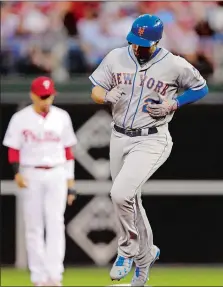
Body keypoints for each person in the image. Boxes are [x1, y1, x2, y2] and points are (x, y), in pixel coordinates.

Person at [89, 14, 208, 286]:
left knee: (120, 193)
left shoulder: (174, 64)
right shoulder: (117, 56)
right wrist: (104, 96)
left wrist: (174, 104)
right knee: (130, 200)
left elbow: (201, 88)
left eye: (143, 42)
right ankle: (145, 259)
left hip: (152, 138)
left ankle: (126, 251)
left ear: (156, 41)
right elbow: (96, 87)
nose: (137, 46)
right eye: (134, 40)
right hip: (119, 135)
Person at [3, 76, 78, 286]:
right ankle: (38, 277)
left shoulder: (62, 117)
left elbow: (68, 152)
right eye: (42, 96)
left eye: (49, 96)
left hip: (57, 172)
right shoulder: (20, 118)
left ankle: (55, 276)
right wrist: (17, 172)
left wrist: (70, 185)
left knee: (56, 223)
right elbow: (13, 149)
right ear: (32, 95)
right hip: (31, 173)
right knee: (34, 226)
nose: (46, 100)